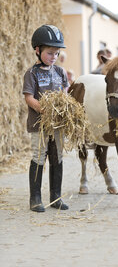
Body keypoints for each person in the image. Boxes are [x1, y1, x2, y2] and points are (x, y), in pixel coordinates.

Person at [23, 24, 69, 212]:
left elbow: (65, 91)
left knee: (57, 156)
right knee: (39, 156)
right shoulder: (32, 73)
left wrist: (65, 104)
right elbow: (28, 97)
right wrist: (44, 109)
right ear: (38, 50)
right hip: (39, 124)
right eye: (50, 53)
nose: (54, 57)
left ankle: (56, 197)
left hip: (58, 125)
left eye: (56, 54)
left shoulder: (60, 72)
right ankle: (35, 198)